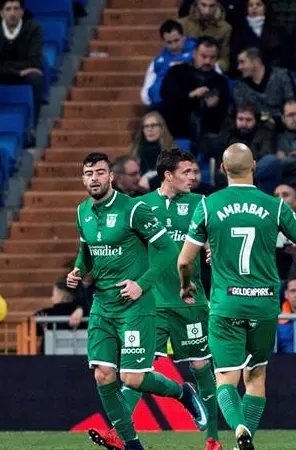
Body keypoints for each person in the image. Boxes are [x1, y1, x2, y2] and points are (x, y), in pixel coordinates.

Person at [177, 143, 296, 450]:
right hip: (264, 303)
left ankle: (238, 429)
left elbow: (184, 261)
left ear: (222, 169)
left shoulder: (208, 205)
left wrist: (185, 285)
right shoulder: (275, 206)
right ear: (255, 167)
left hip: (227, 303)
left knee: (225, 379)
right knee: (257, 376)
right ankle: (245, 440)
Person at [66, 153, 208, 450]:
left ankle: (182, 393)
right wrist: (79, 269)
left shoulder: (134, 209)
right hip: (102, 306)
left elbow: (168, 250)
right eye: (89, 172)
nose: (94, 178)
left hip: (136, 306)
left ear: (111, 177)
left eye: (100, 172)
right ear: (83, 178)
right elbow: (86, 251)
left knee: (132, 378)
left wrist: (140, 285)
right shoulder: (82, 213)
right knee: (103, 375)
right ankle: (131, 444)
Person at [129, 149, 220, 450]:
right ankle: (123, 434)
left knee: (200, 366)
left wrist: (210, 247)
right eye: (187, 172)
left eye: (195, 172)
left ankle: (213, 440)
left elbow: (213, 239)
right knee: (137, 370)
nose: (194, 177)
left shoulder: (201, 204)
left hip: (189, 300)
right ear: (168, 175)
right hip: (150, 302)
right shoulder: (140, 206)